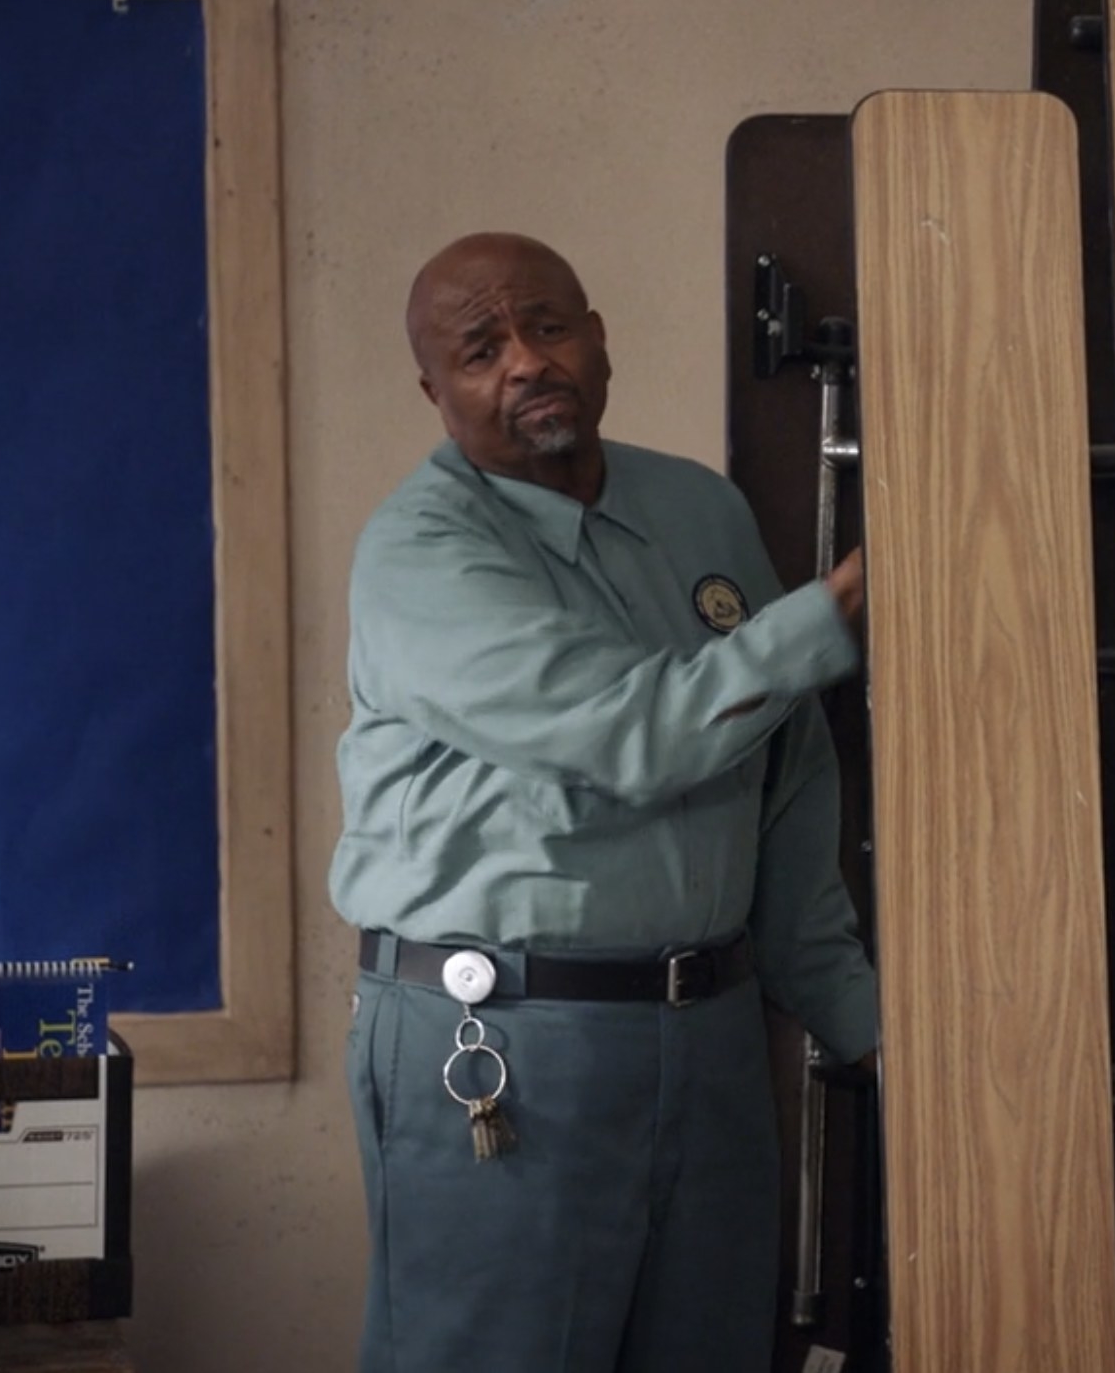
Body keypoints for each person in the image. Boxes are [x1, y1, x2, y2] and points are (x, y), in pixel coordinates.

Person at [332, 231, 877, 1372]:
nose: (526, 361)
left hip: (713, 1035)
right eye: (481, 349)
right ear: (436, 391)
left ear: (598, 337)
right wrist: (841, 605)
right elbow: (635, 737)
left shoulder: (698, 509)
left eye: (548, 325)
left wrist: (865, 1022)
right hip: (510, 1045)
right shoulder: (422, 551)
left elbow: (785, 775)